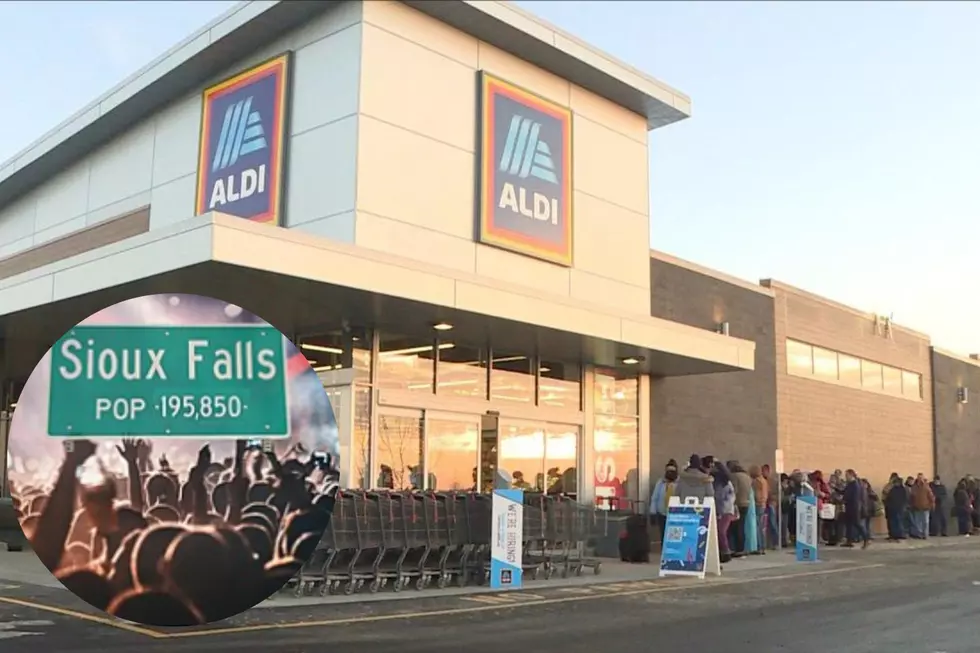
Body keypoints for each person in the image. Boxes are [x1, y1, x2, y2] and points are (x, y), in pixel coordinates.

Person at [712, 462, 736, 564]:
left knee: (721, 531)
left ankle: (726, 552)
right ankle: (723, 551)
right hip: (723, 510)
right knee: (720, 532)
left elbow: (728, 499)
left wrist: (721, 511)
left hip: (726, 511)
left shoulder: (725, 484)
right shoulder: (719, 483)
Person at [649, 460, 678, 540]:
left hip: (675, 514)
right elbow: (655, 498)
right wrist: (653, 512)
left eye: (672, 471)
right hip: (662, 514)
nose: (670, 473)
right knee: (663, 535)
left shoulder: (679, 483)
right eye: (668, 471)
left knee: (674, 536)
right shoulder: (661, 482)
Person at [728, 461, 752, 556]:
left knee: (735, 527)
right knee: (741, 526)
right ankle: (741, 548)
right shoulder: (747, 476)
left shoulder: (734, 476)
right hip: (746, 503)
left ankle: (736, 548)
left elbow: (734, 490)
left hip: (737, 503)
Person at [842, 469, 869, 548]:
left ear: (851, 475)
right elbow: (844, 492)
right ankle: (849, 541)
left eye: (847, 475)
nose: (846, 477)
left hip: (854, 508)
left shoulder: (855, 485)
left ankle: (866, 539)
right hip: (849, 507)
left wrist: (844, 500)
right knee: (848, 525)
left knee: (857, 524)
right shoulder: (849, 484)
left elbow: (855, 498)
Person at [749, 465, 769, 554]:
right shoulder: (764, 481)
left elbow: (756, 494)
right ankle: (762, 547)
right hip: (763, 504)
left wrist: (756, 501)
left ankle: (759, 547)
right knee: (761, 527)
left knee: (757, 526)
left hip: (758, 504)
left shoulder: (756, 481)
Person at [883, 474, 908, 541]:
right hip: (891, 508)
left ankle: (900, 535)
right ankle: (893, 535)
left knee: (899, 522)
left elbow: (905, 499)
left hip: (899, 508)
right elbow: (885, 496)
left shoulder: (902, 489)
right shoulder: (890, 487)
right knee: (892, 522)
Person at [909, 475, 934, 539]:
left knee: (925, 522)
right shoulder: (914, 488)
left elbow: (931, 496)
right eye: (919, 478)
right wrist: (912, 505)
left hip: (925, 507)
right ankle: (919, 534)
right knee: (918, 522)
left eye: (921, 478)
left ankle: (925, 534)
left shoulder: (926, 487)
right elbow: (912, 497)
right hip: (917, 508)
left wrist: (932, 504)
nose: (920, 480)